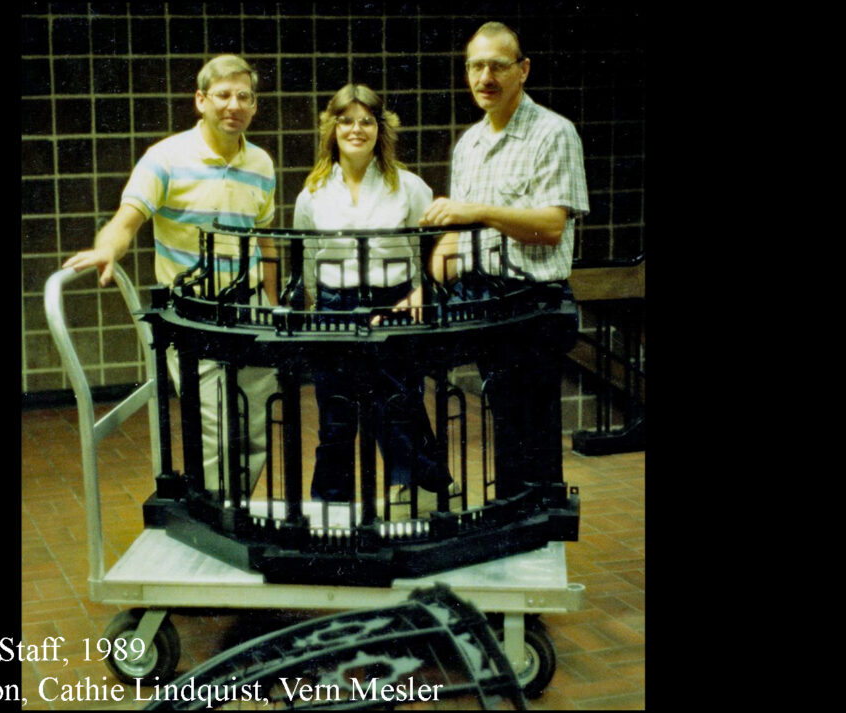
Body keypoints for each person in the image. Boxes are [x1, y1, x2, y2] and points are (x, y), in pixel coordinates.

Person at [63, 54, 278, 496]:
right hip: (193, 313)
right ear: (201, 100)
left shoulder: (261, 164)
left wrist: (272, 305)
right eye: (222, 95)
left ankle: (228, 508)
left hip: (251, 309)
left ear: (254, 106)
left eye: (244, 96)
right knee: (218, 425)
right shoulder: (164, 157)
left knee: (257, 423)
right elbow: (128, 219)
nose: (233, 105)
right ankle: (220, 516)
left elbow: (265, 239)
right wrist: (106, 248)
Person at [421, 22, 589, 494]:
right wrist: (423, 291)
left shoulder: (554, 133)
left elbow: (552, 227)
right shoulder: (469, 144)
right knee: (398, 362)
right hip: (483, 297)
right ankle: (428, 477)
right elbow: (458, 239)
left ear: (523, 70)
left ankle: (532, 534)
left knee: (527, 435)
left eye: (498, 65)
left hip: (533, 301)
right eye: (475, 65)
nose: (485, 76)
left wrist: (477, 211)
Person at [293, 83, 452, 505]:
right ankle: (332, 508)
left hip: (393, 302)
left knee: (399, 405)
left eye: (366, 121)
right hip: (333, 306)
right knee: (336, 413)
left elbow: (430, 245)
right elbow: (309, 256)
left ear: (381, 129)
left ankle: (415, 497)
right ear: (332, 128)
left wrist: (419, 291)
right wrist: (319, 306)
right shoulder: (312, 192)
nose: (356, 129)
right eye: (346, 121)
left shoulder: (410, 186)